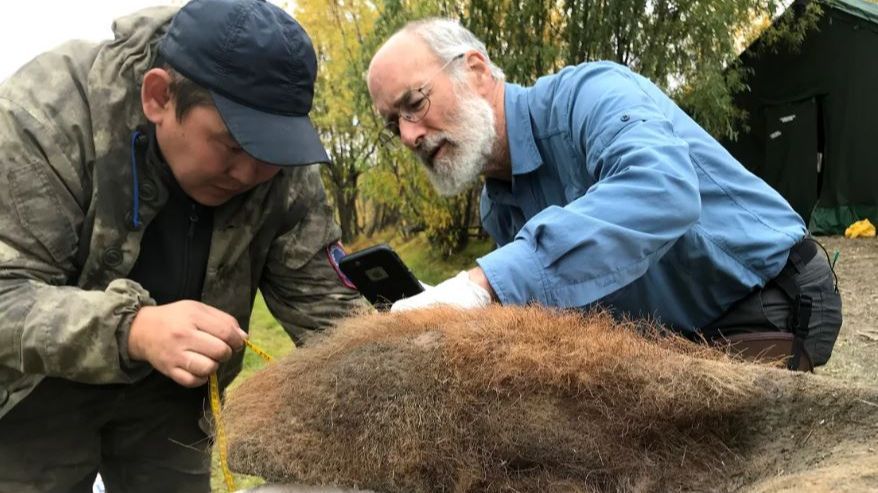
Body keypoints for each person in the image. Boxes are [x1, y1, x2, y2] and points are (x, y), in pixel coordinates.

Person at [0, 0, 364, 491]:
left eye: (271, 154)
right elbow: (6, 296)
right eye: (234, 147)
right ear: (158, 98)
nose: (253, 174)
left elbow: (331, 312)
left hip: (172, 398)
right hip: (35, 388)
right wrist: (134, 329)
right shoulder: (45, 118)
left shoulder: (279, 163)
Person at [366, 18, 842, 370]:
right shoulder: (496, 205)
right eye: (394, 125)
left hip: (765, 298)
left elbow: (663, 191)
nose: (409, 136)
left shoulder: (591, 94)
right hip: (674, 334)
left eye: (415, 103)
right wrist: (456, 308)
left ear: (475, 69)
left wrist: (482, 284)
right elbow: (545, 300)